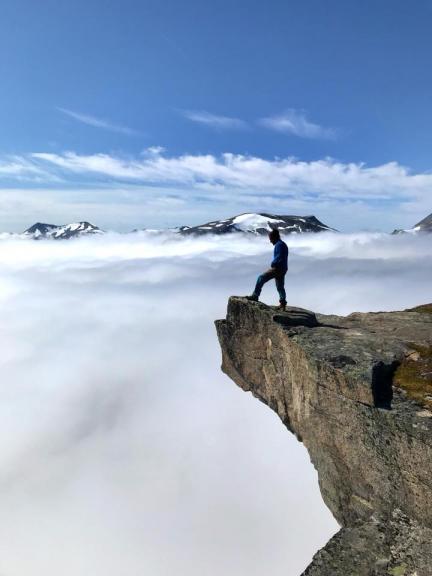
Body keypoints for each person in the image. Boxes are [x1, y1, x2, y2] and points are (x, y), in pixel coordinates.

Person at [246, 228, 288, 310]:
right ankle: (283, 303)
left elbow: (279, 257)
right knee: (280, 286)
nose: (270, 241)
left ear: (274, 237)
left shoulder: (279, 245)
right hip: (283, 268)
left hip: (277, 268)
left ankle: (255, 295)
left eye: (271, 239)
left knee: (261, 278)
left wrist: (273, 263)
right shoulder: (282, 244)